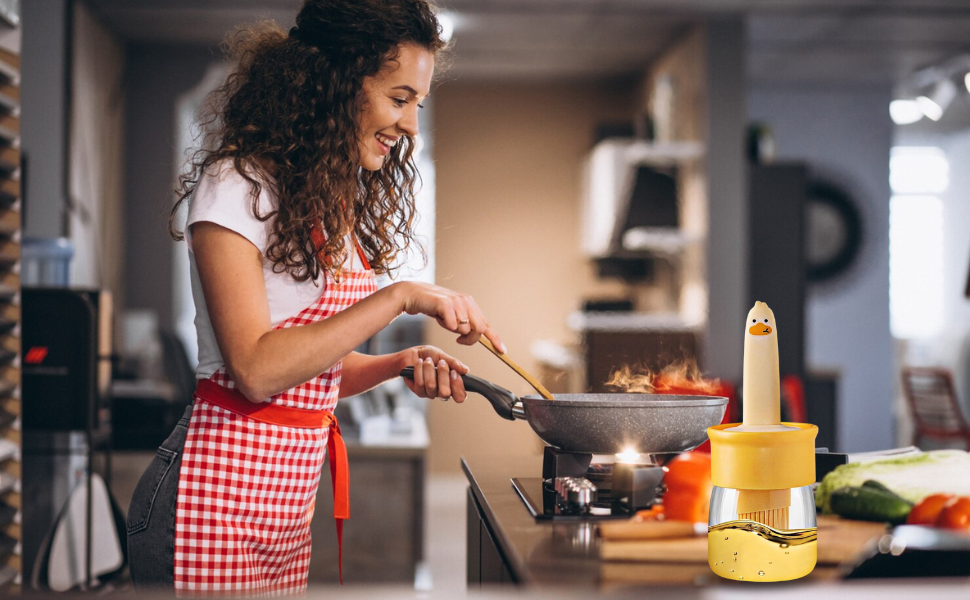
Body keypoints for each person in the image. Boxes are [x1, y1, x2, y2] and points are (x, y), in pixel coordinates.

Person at [125, 0, 504, 594]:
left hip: (281, 513)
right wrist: (401, 295)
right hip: (207, 501)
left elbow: (312, 371)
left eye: (417, 106)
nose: (410, 125)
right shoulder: (237, 186)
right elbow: (254, 369)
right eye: (399, 99)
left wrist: (396, 364)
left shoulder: (323, 202)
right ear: (336, 83)